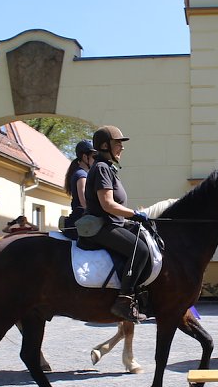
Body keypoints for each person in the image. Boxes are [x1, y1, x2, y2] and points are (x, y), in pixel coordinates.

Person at [79, 125, 151, 322]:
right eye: (118, 143)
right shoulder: (102, 168)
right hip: (101, 226)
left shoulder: (108, 168)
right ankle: (124, 301)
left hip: (113, 224)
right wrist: (135, 214)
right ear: (104, 145)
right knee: (141, 250)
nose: (122, 147)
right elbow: (108, 204)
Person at [61, 139, 98, 239]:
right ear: (85, 157)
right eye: (94, 156)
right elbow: (84, 203)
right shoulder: (82, 176)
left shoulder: (82, 173)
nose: (96, 160)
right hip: (80, 220)